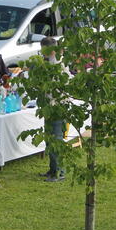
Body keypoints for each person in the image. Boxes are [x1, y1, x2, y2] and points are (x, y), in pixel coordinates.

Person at [39, 37, 72, 182]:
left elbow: (56, 86)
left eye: (43, 49)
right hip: (49, 105)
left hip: (57, 106)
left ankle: (59, 172)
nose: (41, 52)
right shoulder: (52, 61)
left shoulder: (57, 63)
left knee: (56, 139)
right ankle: (53, 169)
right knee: (49, 139)